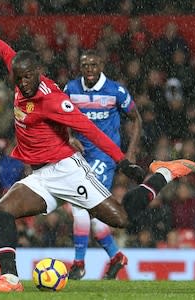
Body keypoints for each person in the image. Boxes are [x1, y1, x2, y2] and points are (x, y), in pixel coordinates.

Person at [0, 16, 195, 292]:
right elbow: (0, 46)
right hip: (40, 175)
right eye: (18, 78)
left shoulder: (52, 100)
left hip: (67, 170)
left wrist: (122, 161)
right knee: (1, 212)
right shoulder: (19, 71)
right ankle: (10, 279)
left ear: (38, 72)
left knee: (122, 219)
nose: (24, 83)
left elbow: (90, 130)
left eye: (29, 77)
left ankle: (164, 173)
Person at [63, 49, 143, 280]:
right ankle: (117, 256)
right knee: (97, 217)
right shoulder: (71, 89)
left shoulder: (115, 91)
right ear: (80, 67)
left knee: (80, 205)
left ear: (102, 65)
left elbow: (136, 118)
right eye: (85, 65)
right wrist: (68, 137)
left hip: (104, 157)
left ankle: (78, 263)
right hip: (79, 156)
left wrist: (130, 154)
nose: (89, 70)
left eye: (94, 65)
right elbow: (60, 115)